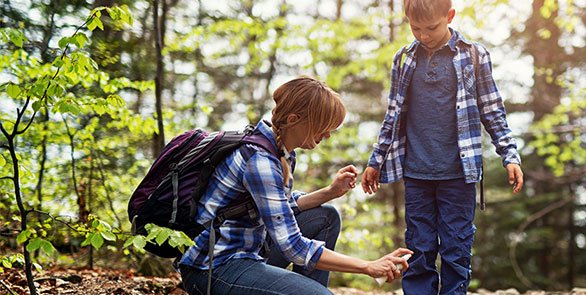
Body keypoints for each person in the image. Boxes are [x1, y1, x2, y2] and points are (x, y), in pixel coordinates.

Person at [178, 76, 412, 295]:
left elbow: (284, 208)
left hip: (248, 253)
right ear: (293, 120)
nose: (328, 135)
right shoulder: (260, 160)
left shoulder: (281, 153)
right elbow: (292, 245)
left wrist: (331, 192)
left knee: (326, 217)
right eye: (324, 125)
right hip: (214, 269)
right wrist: (368, 266)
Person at [360, 0, 524, 294]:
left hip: (458, 174)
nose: (423, 35)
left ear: (449, 17)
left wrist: (509, 155)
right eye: (415, 28)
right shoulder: (403, 59)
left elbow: (492, 111)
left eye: (431, 27)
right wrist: (376, 161)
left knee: (456, 247)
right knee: (419, 249)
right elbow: (394, 115)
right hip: (416, 173)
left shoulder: (474, 55)